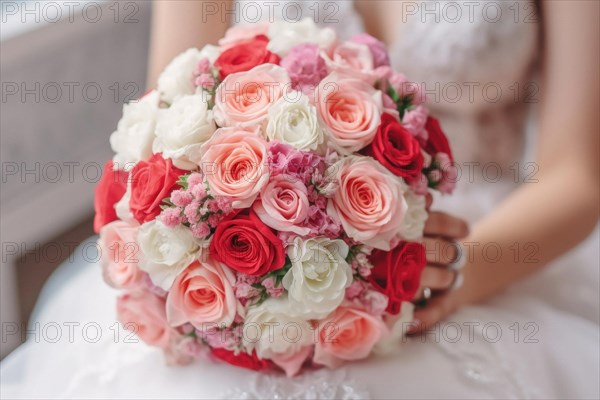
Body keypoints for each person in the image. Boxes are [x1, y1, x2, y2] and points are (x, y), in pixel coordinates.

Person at [2, 1, 598, 398]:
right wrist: (233, 271)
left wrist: (453, 277)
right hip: (254, 277)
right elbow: (165, 119)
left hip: (487, 240)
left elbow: (575, 174)